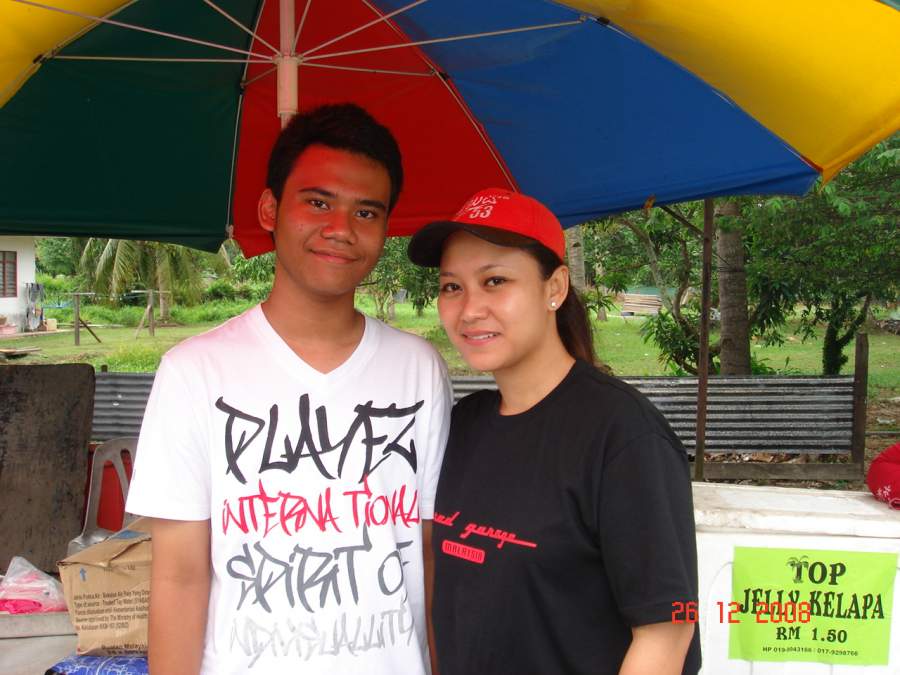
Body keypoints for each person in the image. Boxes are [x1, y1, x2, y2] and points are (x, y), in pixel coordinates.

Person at [126, 104, 451, 675]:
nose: (341, 229)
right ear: (270, 209)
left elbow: (428, 555)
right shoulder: (193, 372)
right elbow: (179, 576)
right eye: (318, 202)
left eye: (366, 211)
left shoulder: (418, 369)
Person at [408, 188, 701, 675]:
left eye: (495, 281)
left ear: (555, 288)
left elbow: (666, 633)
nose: (469, 309)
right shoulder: (463, 425)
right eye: (452, 287)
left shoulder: (623, 436)